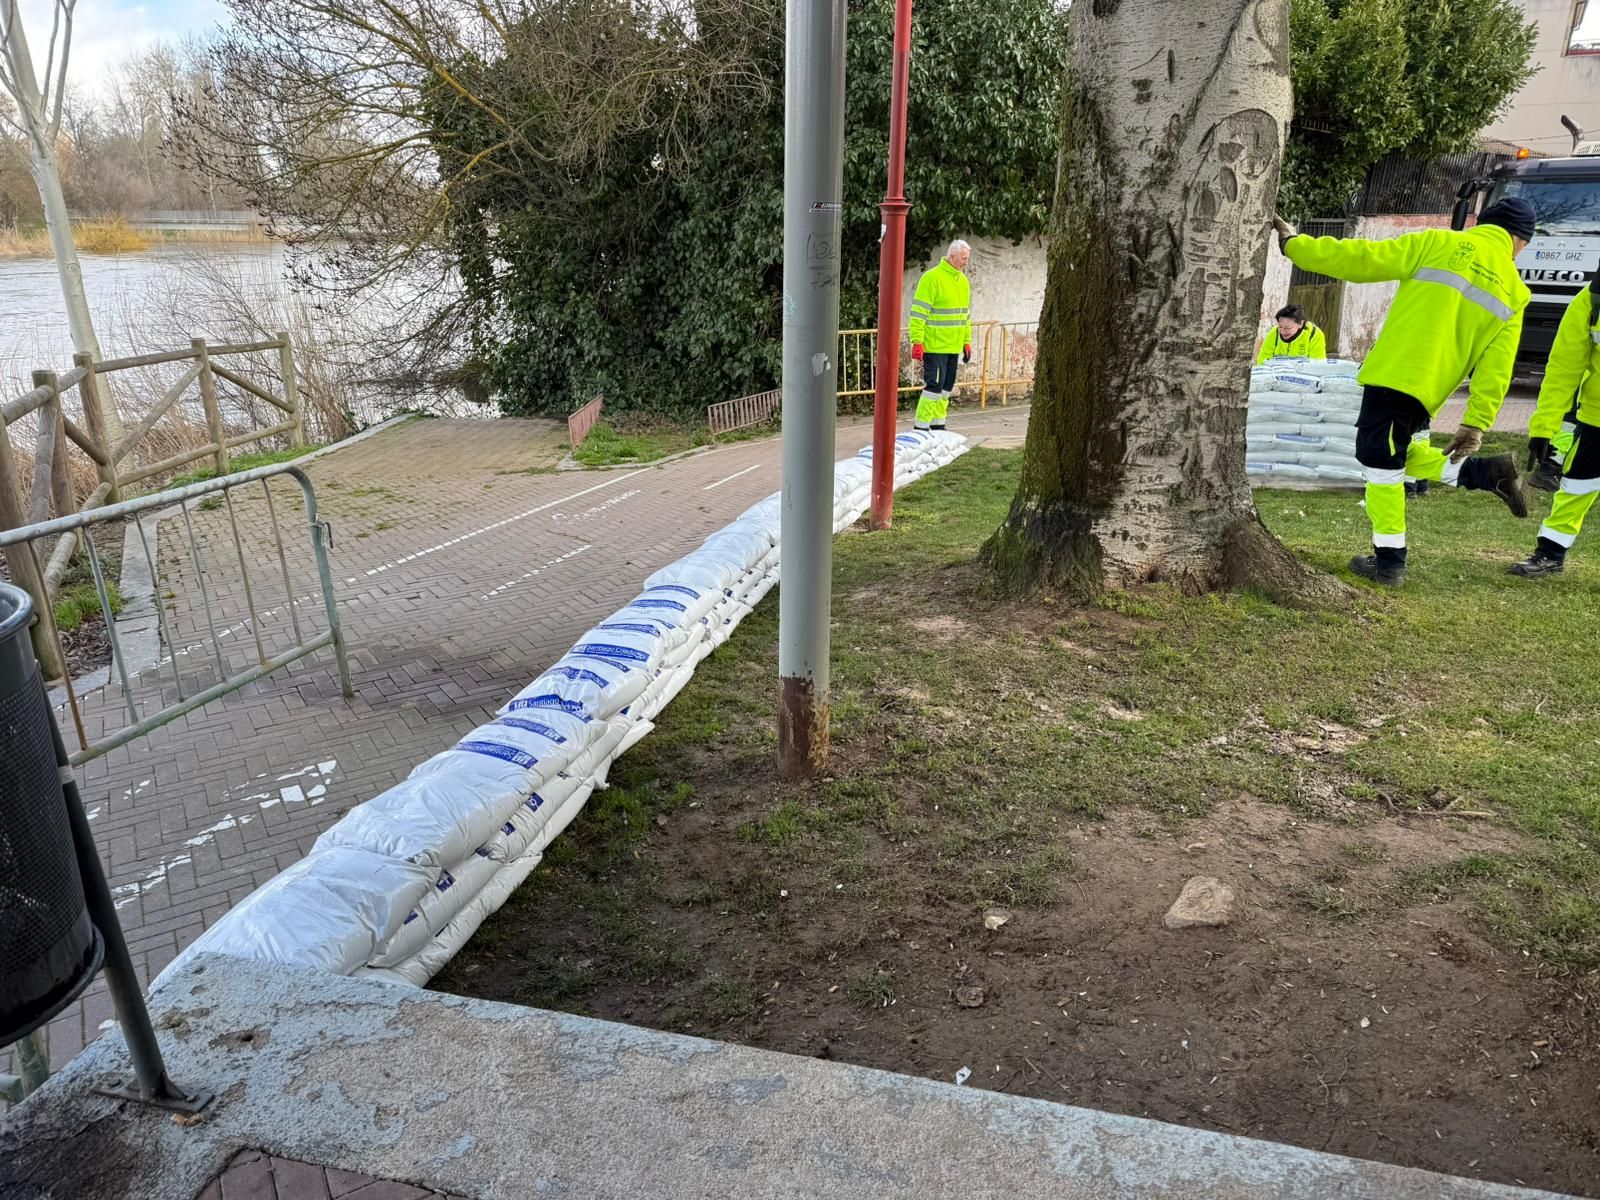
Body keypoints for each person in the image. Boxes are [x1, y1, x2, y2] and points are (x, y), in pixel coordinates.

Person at [1276, 198, 1535, 587]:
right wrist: (1475, 423)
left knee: (1381, 466)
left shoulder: (1439, 243)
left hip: (1394, 374)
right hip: (1428, 393)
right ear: (1519, 240)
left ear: (1484, 223)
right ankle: (1485, 473)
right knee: (1386, 452)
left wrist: (1295, 245)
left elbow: (1361, 258)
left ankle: (1390, 562)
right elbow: (1498, 367)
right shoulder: (1515, 292)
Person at [1508, 276, 1600, 577]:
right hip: (1596, 418)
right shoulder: (1592, 298)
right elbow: (1564, 367)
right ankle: (1550, 554)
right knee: (1576, 486)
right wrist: (1544, 427)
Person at [908, 239, 973, 432]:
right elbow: (919, 313)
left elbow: (965, 315)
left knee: (945, 390)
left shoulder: (962, 281)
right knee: (934, 388)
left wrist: (966, 341)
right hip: (935, 346)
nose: (965, 262)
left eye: (967, 258)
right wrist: (917, 341)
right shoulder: (932, 278)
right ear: (951, 256)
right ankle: (921, 427)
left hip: (953, 347)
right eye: (963, 258)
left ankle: (938, 426)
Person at [1256, 304, 1327, 363]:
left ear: (1300, 324)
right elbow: (1263, 360)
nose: (1283, 331)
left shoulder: (1314, 335)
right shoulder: (1274, 333)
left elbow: (1317, 364)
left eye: (1288, 328)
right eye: (1280, 327)